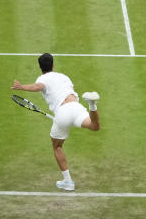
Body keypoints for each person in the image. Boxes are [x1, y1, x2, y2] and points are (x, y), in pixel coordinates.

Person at [11, 53, 100, 192]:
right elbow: (71, 91)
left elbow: (38, 86)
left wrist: (21, 87)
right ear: (53, 65)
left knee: (57, 147)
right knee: (94, 126)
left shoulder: (42, 78)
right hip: (76, 107)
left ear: (40, 67)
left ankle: (68, 182)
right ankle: (92, 105)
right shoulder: (64, 77)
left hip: (62, 113)